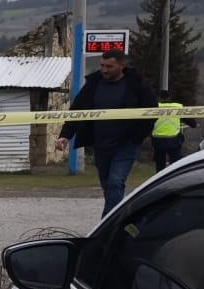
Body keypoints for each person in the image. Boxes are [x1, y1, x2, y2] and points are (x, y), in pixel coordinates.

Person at [58, 49, 158, 214]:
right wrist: (65, 136)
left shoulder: (136, 84)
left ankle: (109, 224)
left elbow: (152, 111)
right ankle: (120, 215)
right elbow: (77, 110)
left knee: (115, 182)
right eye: (102, 65)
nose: (104, 70)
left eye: (109, 66)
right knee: (108, 186)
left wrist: (139, 134)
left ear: (122, 65)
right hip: (101, 145)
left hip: (126, 144)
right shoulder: (93, 83)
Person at [150, 93, 186, 172]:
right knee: (175, 163)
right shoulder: (178, 107)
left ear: (158, 98)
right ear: (170, 97)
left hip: (158, 140)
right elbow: (192, 123)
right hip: (174, 139)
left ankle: (159, 180)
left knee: (160, 164)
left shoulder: (154, 108)